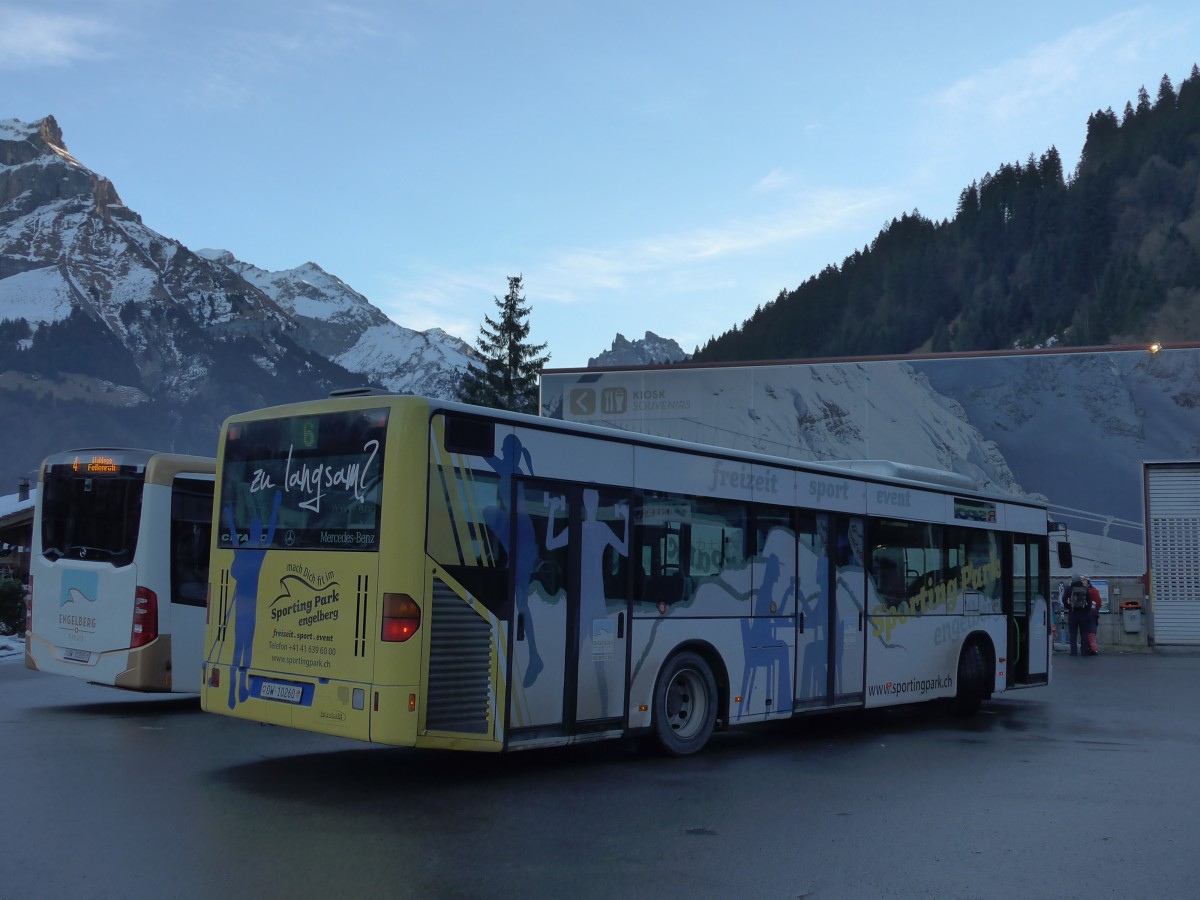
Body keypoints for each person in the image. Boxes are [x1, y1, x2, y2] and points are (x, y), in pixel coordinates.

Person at [1065, 575, 1091, 656]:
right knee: (1084, 633)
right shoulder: (1085, 589)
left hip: (1073, 613)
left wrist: (1069, 607)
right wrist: (1086, 610)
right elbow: (1089, 602)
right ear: (1080, 580)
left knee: (1073, 633)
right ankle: (1084, 651)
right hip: (1083, 614)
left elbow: (1063, 599)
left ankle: (1073, 651)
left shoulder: (1069, 589)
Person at [1084, 575, 1103, 655]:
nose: (1082, 582)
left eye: (1084, 581)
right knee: (1090, 631)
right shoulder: (1093, 590)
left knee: (1090, 631)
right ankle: (1091, 648)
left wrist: (1095, 611)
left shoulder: (1092, 591)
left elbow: (1098, 602)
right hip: (1090, 613)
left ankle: (1093, 648)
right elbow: (1098, 602)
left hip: (1090, 613)